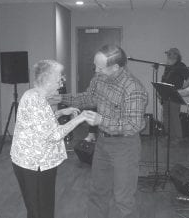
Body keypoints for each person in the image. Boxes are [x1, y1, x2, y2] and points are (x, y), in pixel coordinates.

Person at [60, 45, 148, 218]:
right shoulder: (99, 78)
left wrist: (101, 120)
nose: (96, 70)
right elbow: (88, 97)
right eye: (95, 65)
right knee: (97, 192)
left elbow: (134, 125)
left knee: (123, 199)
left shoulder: (133, 89)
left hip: (125, 146)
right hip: (103, 143)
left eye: (100, 67)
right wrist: (61, 98)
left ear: (116, 68)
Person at [10, 60, 91, 218]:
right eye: (59, 79)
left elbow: (40, 125)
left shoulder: (33, 94)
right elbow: (53, 135)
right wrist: (79, 119)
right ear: (47, 80)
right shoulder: (37, 101)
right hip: (35, 165)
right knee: (41, 211)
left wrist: (61, 113)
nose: (61, 83)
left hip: (30, 162)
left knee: (37, 210)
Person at [161, 48, 189, 143]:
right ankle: (169, 136)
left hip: (174, 95)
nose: (168, 56)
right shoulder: (168, 66)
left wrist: (181, 89)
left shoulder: (180, 65)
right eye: (167, 54)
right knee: (166, 116)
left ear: (176, 55)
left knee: (174, 116)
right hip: (165, 95)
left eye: (170, 54)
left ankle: (178, 138)